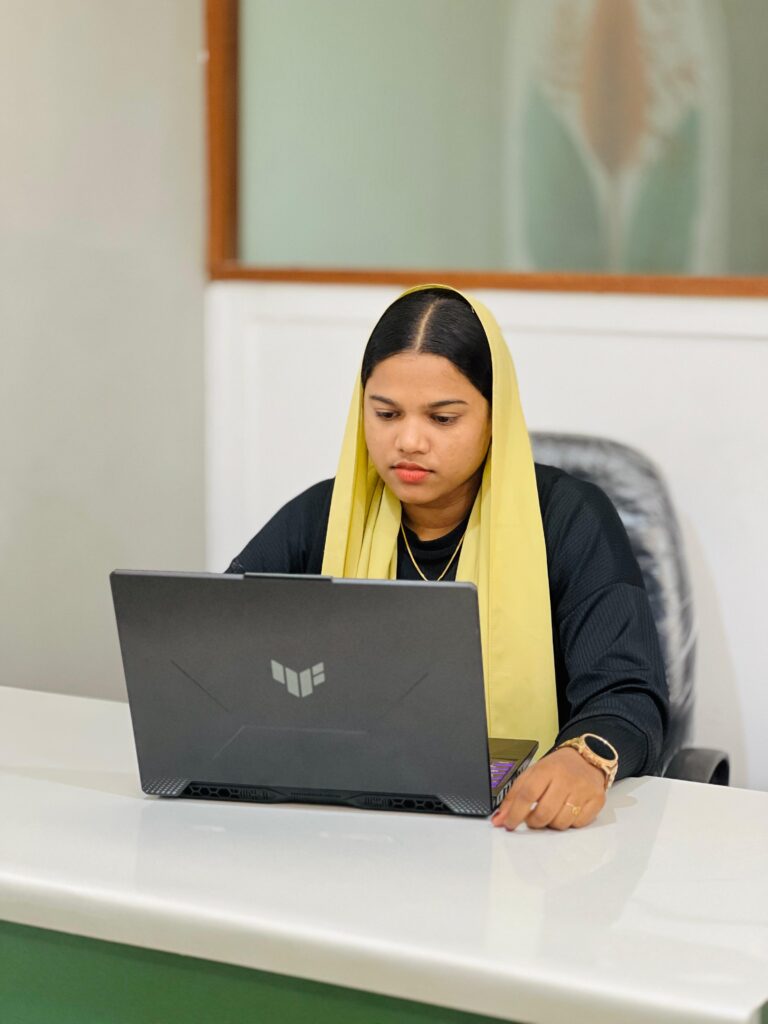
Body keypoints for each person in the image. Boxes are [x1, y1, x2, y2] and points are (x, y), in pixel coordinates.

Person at [227, 284, 669, 831]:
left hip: (517, 829)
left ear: (494, 416)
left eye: (442, 418)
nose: (409, 441)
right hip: (348, 821)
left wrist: (584, 759)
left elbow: (627, 693)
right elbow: (221, 651)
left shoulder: (568, 518)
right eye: (386, 413)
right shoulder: (325, 515)